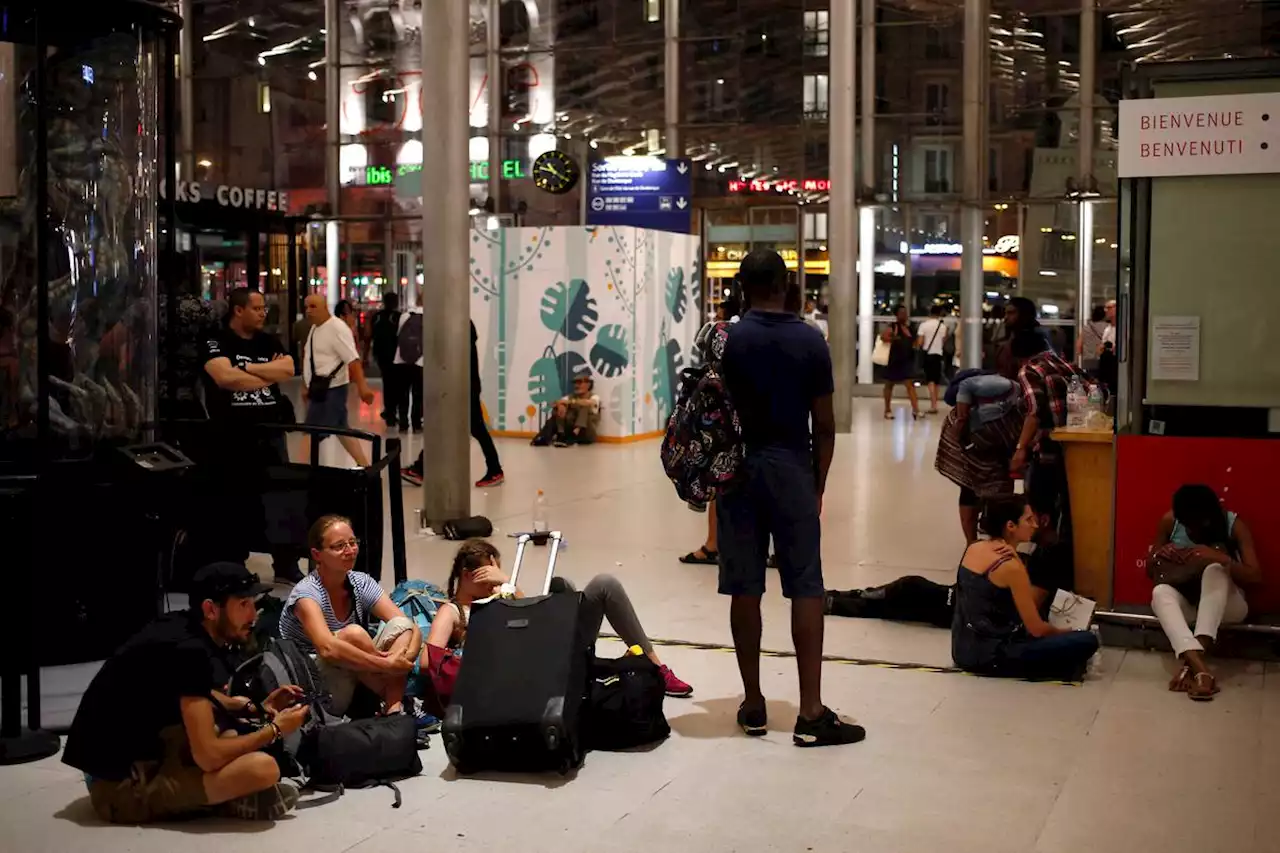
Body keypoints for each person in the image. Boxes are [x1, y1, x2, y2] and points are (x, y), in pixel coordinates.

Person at [717, 249, 863, 747]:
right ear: (786, 283)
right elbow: (824, 425)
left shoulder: (729, 339)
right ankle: (810, 712)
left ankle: (754, 703)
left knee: (745, 586)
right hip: (791, 467)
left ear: (743, 286)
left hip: (737, 470)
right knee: (805, 584)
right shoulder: (809, 340)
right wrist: (816, 483)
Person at [62, 563, 310, 823]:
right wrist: (275, 730)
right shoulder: (190, 651)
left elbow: (196, 693)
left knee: (231, 731)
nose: (253, 615)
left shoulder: (184, 626)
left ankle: (220, 791)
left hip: (136, 754)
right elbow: (209, 756)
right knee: (263, 769)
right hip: (117, 787)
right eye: (243, 605)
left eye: (252, 603)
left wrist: (251, 708)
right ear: (210, 609)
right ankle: (222, 799)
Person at [426, 539, 693, 698]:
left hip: (545, 651)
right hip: (534, 670)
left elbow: (529, 619)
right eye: (488, 573)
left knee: (590, 584)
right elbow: (428, 661)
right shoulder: (453, 612)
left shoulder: (498, 595)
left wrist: (507, 587)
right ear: (467, 575)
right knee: (567, 588)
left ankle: (656, 666)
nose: (492, 582)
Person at [828, 492, 1071, 627]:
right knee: (894, 594)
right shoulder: (1011, 553)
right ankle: (834, 599)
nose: (1033, 524)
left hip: (949, 604)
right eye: (1028, 519)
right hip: (949, 599)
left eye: (1033, 518)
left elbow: (1027, 606)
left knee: (894, 596)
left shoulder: (1040, 559)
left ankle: (831, 601)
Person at [201, 287, 303, 583]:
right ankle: (235, 562)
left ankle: (285, 563)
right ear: (238, 310)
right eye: (257, 308)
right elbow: (224, 377)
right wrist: (264, 374)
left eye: (263, 309)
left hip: (270, 433)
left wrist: (245, 367)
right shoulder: (216, 340)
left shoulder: (267, 340)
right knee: (237, 501)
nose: (262, 314)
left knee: (281, 498)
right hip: (232, 434)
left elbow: (287, 369)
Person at [279, 514, 422, 716]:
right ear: (317, 554)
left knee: (401, 625)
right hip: (317, 685)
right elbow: (327, 649)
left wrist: (402, 660)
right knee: (354, 635)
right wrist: (387, 665)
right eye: (339, 546)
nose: (350, 551)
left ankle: (393, 708)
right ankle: (396, 700)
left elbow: (408, 626)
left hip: (360, 673)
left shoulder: (360, 582)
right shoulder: (306, 594)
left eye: (352, 543)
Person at [952, 496, 1098, 681]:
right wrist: (1066, 633)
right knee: (1086, 640)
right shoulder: (1011, 566)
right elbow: (1036, 629)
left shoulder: (973, 548)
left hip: (962, 648)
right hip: (993, 655)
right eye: (1028, 520)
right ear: (1011, 526)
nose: (1035, 525)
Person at [1148, 484, 1261, 701]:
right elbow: (1151, 569)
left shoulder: (1233, 525)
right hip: (1190, 602)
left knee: (1214, 570)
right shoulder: (1170, 521)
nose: (1190, 531)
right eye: (1186, 525)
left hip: (1229, 607)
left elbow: (1256, 577)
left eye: (1195, 526)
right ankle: (1201, 670)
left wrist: (1220, 558)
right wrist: (1163, 555)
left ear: (1208, 519)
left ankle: (1190, 666)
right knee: (1160, 592)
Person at [679, 287, 743, 565]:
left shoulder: (719, 334)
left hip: (723, 424)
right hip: (750, 424)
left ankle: (714, 544)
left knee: (720, 482)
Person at [301, 294, 375, 466]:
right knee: (342, 429)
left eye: (313, 306)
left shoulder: (337, 328)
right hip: (320, 388)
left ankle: (298, 472)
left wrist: (363, 388)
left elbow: (353, 360)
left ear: (325, 307)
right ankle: (365, 467)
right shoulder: (315, 328)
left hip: (332, 390)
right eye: (306, 307)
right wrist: (306, 386)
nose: (308, 311)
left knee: (310, 432)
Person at [470, 320, 505, 487]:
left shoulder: (460, 327)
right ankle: (495, 469)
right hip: (465, 387)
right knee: (443, 428)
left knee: (477, 428)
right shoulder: (463, 326)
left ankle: (495, 469)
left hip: (465, 388)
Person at [880, 304, 920, 420]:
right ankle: (887, 409)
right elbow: (883, 337)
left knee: (910, 385)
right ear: (897, 315)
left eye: (905, 312)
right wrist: (894, 338)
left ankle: (916, 409)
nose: (904, 315)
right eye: (902, 313)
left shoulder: (910, 329)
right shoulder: (893, 327)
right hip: (894, 361)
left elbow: (915, 342)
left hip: (906, 361)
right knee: (889, 384)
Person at [369, 293, 403, 426]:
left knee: (387, 383)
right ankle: (392, 411)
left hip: (381, 355)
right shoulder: (397, 317)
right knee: (396, 384)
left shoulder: (376, 317)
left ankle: (389, 411)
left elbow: (370, 335)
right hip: (395, 355)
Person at [393, 299, 424, 432]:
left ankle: (403, 423)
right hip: (420, 361)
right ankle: (416, 423)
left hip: (401, 360)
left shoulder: (405, 316)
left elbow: (398, 335)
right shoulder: (430, 317)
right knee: (418, 394)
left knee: (402, 393)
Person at [915, 304, 949, 414]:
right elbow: (944, 341)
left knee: (930, 380)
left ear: (930, 313)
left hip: (928, 355)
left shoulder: (924, 325)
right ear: (939, 314)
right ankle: (935, 404)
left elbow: (920, 342)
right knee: (937, 380)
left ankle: (933, 404)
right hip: (938, 355)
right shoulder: (943, 327)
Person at [552, 371, 601, 446]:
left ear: (588, 384)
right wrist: (560, 405)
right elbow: (555, 402)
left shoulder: (594, 397)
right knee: (558, 408)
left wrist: (571, 402)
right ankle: (560, 434)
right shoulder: (571, 396)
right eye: (575, 383)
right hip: (570, 431)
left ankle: (575, 433)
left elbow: (589, 402)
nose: (576, 385)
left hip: (586, 434)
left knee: (585, 406)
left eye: (580, 382)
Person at [1076, 304, 1108, 373]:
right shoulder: (1108, 327)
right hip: (1103, 360)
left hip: (1089, 361)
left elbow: (1079, 346)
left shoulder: (1086, 328)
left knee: (1092, 381)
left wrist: (1086, 353)